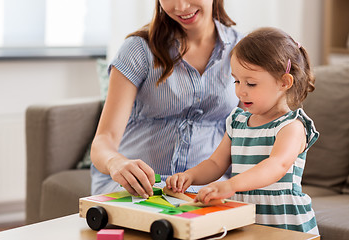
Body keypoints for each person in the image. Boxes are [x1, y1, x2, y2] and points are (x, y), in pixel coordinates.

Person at [166, 27, 319, 234]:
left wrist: (231, 185)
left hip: (283, 221)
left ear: (284, 82)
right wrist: (190, 176)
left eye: (251, 83)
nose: (240, 90)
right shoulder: (237, 121)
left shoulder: (292, 126)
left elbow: (275, 165)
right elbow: (215, 163)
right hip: (243, 214)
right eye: (236, 80)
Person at [90, 0, 243, 199]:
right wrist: (115, 162)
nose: (180, 7)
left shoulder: (241, 50)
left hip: (207, 188)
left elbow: (248, 131)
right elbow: (104, 140)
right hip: (138, 186)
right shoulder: (139, 49)